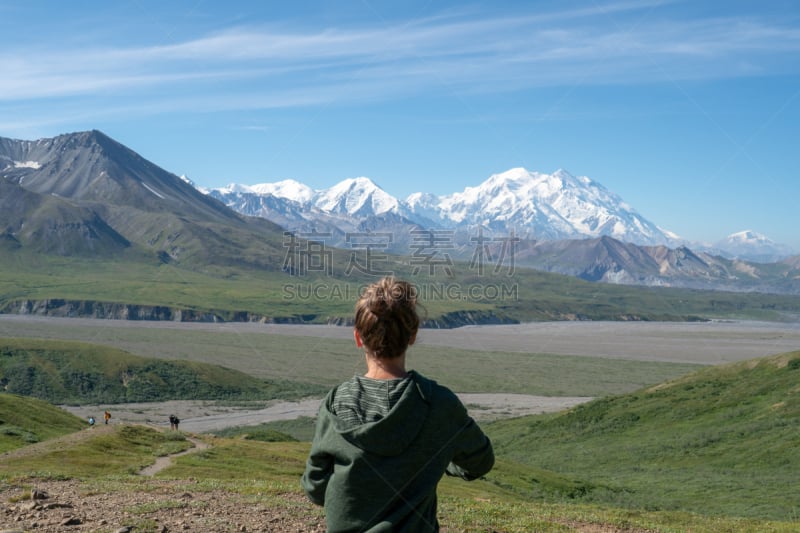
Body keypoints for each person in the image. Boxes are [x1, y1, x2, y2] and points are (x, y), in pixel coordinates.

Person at [301, 277, 494, 532]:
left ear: (358, 337)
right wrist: (439, 455)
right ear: (412, 336)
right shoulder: (439, 403)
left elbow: (315, 488)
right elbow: (480, 462)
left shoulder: (337, 402)